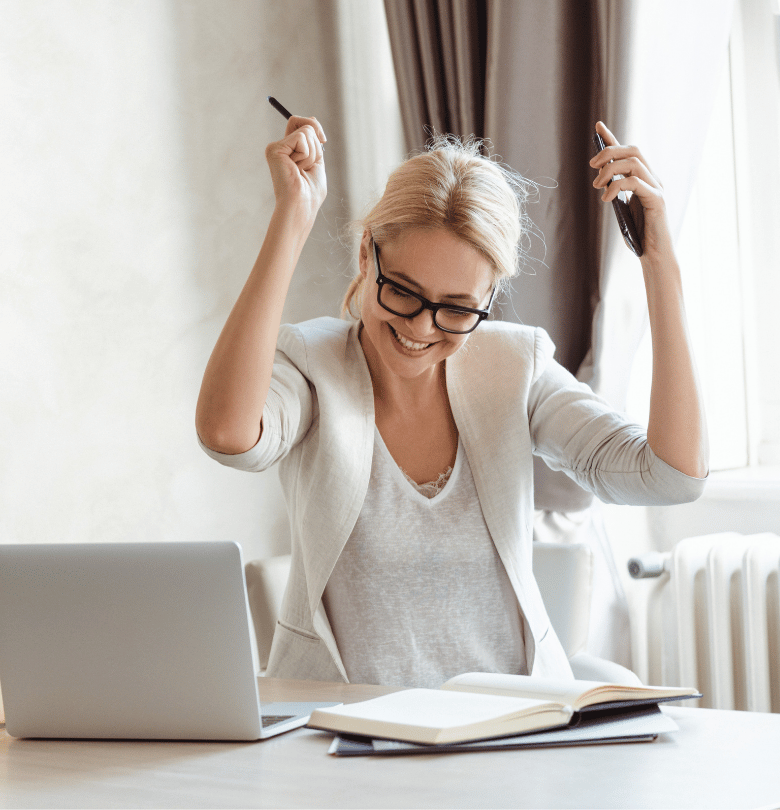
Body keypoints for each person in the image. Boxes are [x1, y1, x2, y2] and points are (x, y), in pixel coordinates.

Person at [195, 115, 709, 688]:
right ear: (367, 255)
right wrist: (292, 220)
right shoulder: (313, 364)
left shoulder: (514, 367)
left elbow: (671, 476)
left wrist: (660, 265)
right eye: (403, 292)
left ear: (490, 296)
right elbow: (227, 435)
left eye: (458, 308)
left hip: (504, 734)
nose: (421, 326)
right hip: (344, 740)